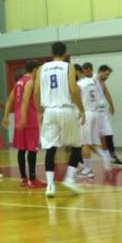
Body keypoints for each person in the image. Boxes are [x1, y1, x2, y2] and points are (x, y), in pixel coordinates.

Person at [26, 41, 84, 197]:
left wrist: (39, 111)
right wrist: (82, 109)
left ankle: (50, 186)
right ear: (65, 53)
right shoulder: (68, 67)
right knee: (77, 146)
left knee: (50, 149)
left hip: (49, 111)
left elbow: (36, 92)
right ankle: (69, 179)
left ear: (51, 53)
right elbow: (73, 89)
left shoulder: (41, 68)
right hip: (66, 109)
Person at [5, 61, 42, 188]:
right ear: (35, 70)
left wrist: (5, 116)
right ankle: (33, 178)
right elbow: (26, 100)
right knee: (32, 149)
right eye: (39, 70)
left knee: (22, 149)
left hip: (18, 118)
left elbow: (10, 100)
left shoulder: (18, 82)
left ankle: (23, 178)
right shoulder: (30, 82)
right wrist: (25, 117)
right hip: (28, 118)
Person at [76, 65, 110, 176]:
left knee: (84, 143)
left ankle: (88, 169)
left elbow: (76, 100)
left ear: (76, 71)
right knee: (91, 142)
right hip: (95, 113)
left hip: (86, 114)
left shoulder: (79, 84)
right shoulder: (92, 82)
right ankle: (104, 155)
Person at [95, 65, 122, 165]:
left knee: (109, 133)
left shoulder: (102, 82)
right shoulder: (93, 80)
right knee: (97, 137)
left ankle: (112, 156)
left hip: (102, 112)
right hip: (94, 112)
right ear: (101, 71)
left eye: (108, 75)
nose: (107, 76)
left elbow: (106, 92)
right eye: (106, 74)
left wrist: (111, 105)